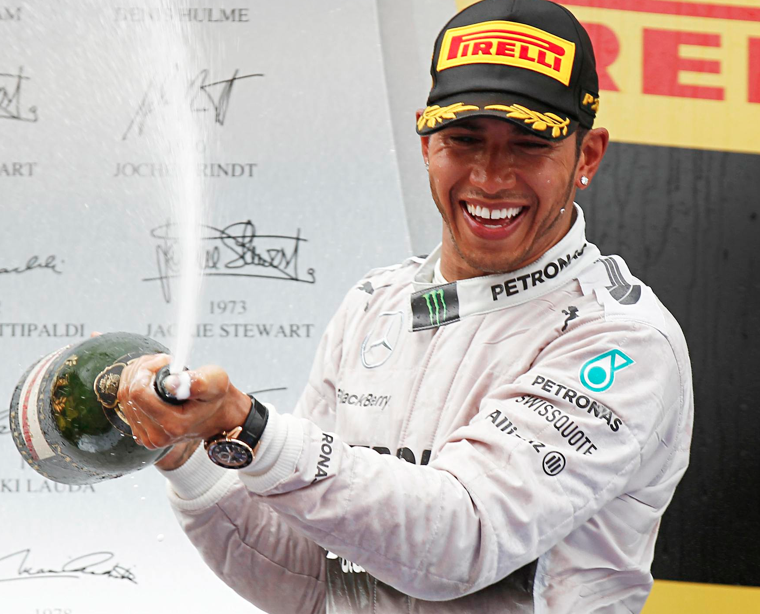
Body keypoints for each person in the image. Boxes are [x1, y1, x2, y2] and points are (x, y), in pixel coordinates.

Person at [117, 0, 693, 611]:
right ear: (425, 141)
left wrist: (249, 428)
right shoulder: (375, 304)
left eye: (528, 145)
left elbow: (463, 541)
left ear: (588, 156)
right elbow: (309, 578)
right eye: (463, 140)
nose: (490, 177)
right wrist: (188, 451)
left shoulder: (621, 339)